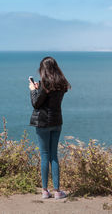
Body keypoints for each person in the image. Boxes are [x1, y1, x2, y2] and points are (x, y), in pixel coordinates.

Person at [28, 56, 71, 199]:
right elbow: (51, 98)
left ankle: (45, 191)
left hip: (42, 123)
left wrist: (33, 90)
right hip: (56, 122)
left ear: (43, 69)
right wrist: (39, 89)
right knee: (54, 155)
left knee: (45, 155)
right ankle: (58, 191)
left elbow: (36, 103)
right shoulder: (62, 84)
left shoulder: (45, 85)